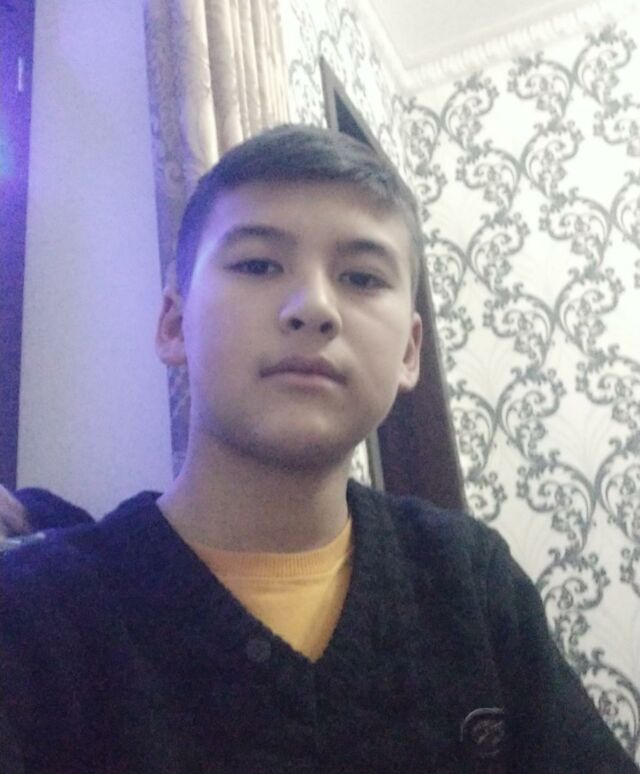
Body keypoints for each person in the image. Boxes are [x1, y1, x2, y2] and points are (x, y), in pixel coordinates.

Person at [0, 125, 637, 774]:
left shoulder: (468, 580)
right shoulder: (33, 616)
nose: (313, 308)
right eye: (257, 265)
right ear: (173, 323)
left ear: (410, 351)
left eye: (361, 277)